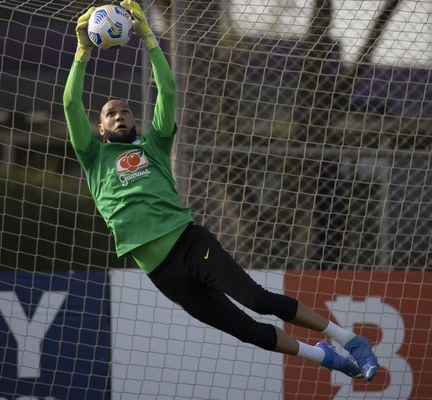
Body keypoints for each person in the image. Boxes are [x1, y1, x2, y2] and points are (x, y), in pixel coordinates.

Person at [63, 0, 379, 382]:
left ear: (135, 121)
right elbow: (69, 103)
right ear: (100, 128)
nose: (119, 115)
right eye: (111, 113)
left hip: (190, 245)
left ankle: (347, 337)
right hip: (162, 273)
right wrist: (82, 51)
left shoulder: (153, 147)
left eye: (125, 111)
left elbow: (166, 88)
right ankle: (324, 357)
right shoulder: (94, 157)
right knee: (246, 331)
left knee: (259, 301)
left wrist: (148, 37)